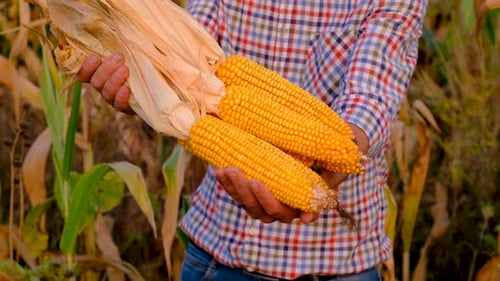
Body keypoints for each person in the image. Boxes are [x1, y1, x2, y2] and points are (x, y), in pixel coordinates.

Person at [77, 1, 428, 280]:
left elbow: (373, 90)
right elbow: (184, 63)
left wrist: (344, 148)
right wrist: (139, 82)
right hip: (220, 255)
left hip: (339, 264)